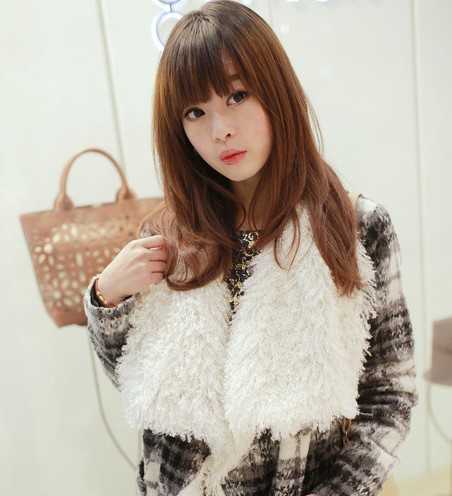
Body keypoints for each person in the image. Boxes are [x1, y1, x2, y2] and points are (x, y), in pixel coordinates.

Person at [83, 1, 418, 495]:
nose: (220, 129)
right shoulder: (169, 236)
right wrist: (106, 298)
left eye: (237, 96)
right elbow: (143, 387)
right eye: (195, 112)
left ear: (276, 90)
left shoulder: (355, 228)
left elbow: (389, 395)